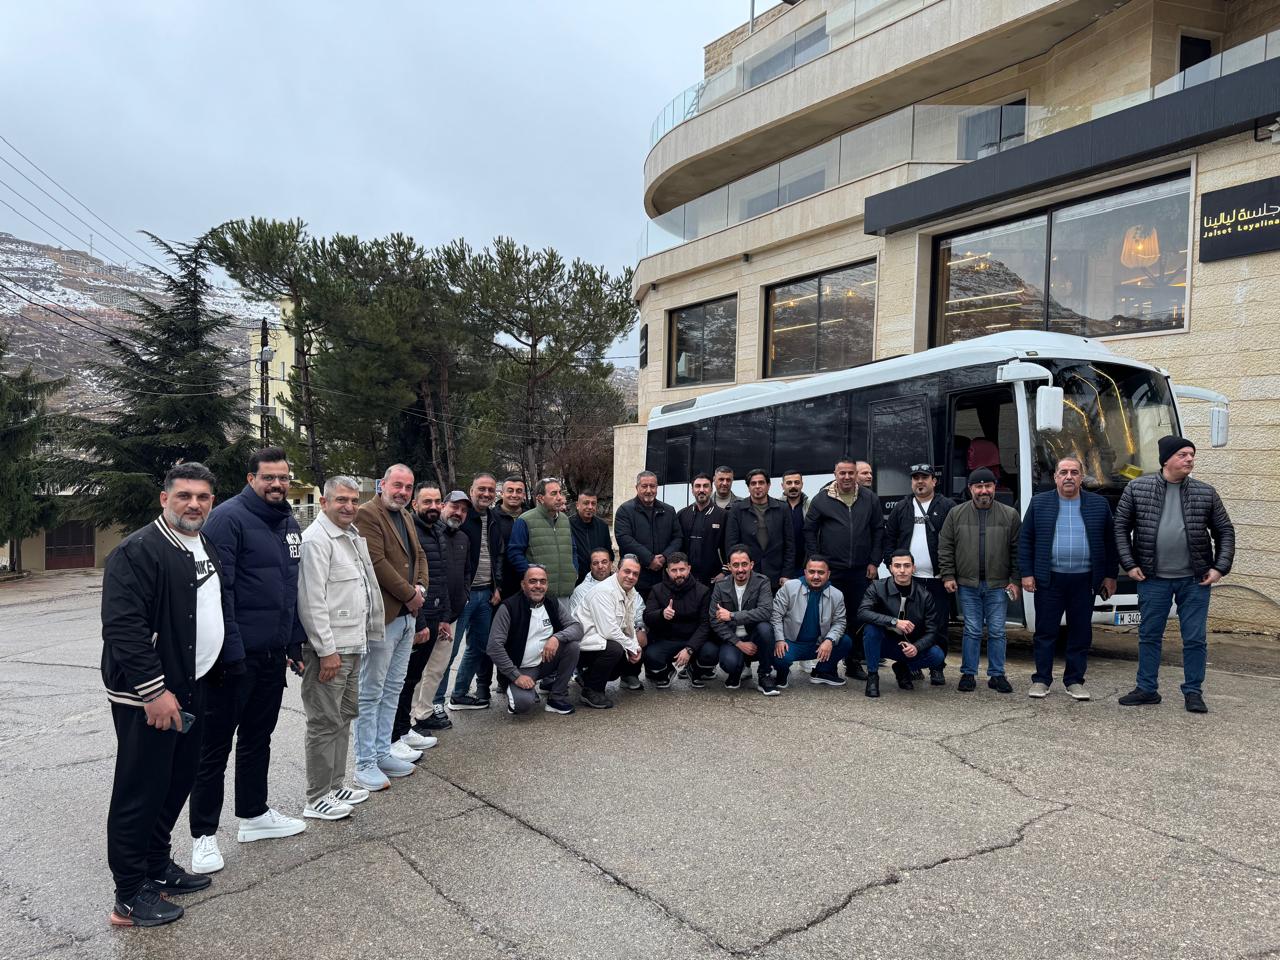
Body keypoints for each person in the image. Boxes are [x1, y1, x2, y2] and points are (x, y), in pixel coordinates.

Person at [104, 463, 232, 927]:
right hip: (151, 696)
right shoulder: (138, 550)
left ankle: (157, 866)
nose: (193, 504)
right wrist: (154, 691)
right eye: (184, 496)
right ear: (165, 499)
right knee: (140, 790)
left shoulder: (203, 544)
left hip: (192, 686)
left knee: (176, 782)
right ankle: (128, 895)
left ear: (212, 502)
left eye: (202, 497)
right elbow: (123, 627)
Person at [189, 447, 304, 877]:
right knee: (214, 748)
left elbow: (290, 588)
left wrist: (294, 642)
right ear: (250, 478)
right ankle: (203, 835)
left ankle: (254, 815)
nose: (277, 484)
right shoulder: (228, 519)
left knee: (258, 738)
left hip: (272, 655)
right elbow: (221, 593)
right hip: (233, 660)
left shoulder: (288, 523)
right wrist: (232, 653)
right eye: (268, 477)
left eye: (283, 477)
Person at [1115, 435, 1235, 713]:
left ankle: (1193, 692)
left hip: (1195, 580)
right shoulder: (1137, 488)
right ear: (1166, 460)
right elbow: (1119, 527)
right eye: (1183, 454)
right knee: (1149, 635)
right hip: (1152, 579)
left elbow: (1225, 531)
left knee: (1194, 639)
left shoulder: (1206, 492)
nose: (1190, 459)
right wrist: (1129, 563)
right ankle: (1147, 689)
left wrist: (1219, 568)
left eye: (1192, 454)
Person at [296, 476, 385, 822]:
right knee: (323, 721)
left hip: (352, 645)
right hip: (330, 651)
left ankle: (335, 785)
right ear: (324, 502)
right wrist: (326, 650)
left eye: (353, 500)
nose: (348, 506)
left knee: (343, 716)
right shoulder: (316, 540)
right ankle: (317, 796)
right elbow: (311, 601)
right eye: (341, 500)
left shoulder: (349, 535)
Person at [351, 464, 429, 791]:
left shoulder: (406, 515)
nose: (403, 492)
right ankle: (364, 762)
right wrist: (410, 595)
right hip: (384, 617)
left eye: (408, 487)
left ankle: (383, 752)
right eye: (397, 485)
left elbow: (419, 555)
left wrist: (421, 587)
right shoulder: (367, 514)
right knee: (371, 692)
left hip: (407, 616)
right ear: (382, 484)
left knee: (393, 687)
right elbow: (376, 562)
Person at [1019, 457, 1118, 701]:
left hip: (1085, 581)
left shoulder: (1098, 504)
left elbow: (1110, 542)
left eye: (1074, 472)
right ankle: (1041, 680)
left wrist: (1110, 576)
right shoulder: (1040, 503)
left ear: (1082, 477)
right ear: (1055, 477)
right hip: (1049, 580)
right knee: (1045, 632)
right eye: (1063, 472)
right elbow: (1026, 539)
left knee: (1080, 633)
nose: (1069, 477)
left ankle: (1074, 681)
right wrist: (1027, 573)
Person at [938, 468, 1021, 695]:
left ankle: (997, 675)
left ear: (995, 487)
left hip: (998, 585)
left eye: (988, 486)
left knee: (997, 631)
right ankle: (968, 674)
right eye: (979, 487)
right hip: (967, 584)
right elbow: (945, 547)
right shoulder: (956, 514)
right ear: (970, 489)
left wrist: (1015, 580)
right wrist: (948, 575)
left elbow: (1017, 551)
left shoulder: (1010, 515)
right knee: (972, 630)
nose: (984, 491)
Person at [804, 458, 882, 681]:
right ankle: (825, 666)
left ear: (856, 474)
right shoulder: (821, 499)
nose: (847, 477)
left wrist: (874, 561)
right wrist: (817, 561)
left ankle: (853, 662)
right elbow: (809, 530)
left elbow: (878, 530)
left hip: (861, 570)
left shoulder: (870, 498)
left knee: (858, 618)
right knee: (829, 618)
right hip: (832, 571)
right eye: (842, 473)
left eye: (850, 473)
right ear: (835, 474)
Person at [882, 463, 955, 685]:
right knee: (910, 626)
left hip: (937, 580)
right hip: (908, 581)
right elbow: (889, 538)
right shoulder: (902, 507)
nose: (920, 481)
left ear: (934, 481)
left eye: (925, 477)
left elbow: (956, 540)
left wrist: (950, 572)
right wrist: (891, 564)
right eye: (916, 478)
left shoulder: (948, 506)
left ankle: (937, 667)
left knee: (939, 626)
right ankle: (909, 666)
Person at [392, 484, 455, 741]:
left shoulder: (439, 529)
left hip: (436, 614)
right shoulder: (409, 532)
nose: (433, 506)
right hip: (417, 616)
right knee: (405, 679)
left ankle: (404, 728)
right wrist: (420, 623)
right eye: (427, 502)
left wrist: (445, 617)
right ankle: (399, 731)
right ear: (414, 504)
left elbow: (441, 577)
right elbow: (407, 580)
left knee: (415, 675)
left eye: (437, 501)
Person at [487, 565, 583, 716]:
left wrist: (556, 637)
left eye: (542, 581)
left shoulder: (552, 602)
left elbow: (576, 628)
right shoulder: (509, 607)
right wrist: (516, 676)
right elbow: (494, 646)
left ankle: (557, 698)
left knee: (572, 646)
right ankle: (514, 689)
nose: (538, 586)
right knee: (523, 705)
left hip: (545, 662)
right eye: (532, 581)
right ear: (523, 584)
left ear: (547, 585)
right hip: (520, 668)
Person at [448, 475, 506, 709]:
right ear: (471, 490)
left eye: (491, 490)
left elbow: (498, 555)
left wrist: (497, 586)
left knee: (478, 647)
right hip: (463, 595)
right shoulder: (461, 517)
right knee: (449, 651)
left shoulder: (494, 519)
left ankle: (459, 693)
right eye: (481, 489)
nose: (486, 493)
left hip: (486, 594)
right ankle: (435, 702)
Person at [414, 492, 473, 716]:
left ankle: (425, 713)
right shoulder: (430, 534)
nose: (458, 513)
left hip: (451, 615)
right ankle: (410, 718)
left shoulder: (463, 538)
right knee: (417, 671)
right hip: (428, 615)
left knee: (437, 669)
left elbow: (466, 572)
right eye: (454, 507)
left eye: (463, 510)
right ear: (443, 506)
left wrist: (464, 595)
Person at [858, 550, 945, 698]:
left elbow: (932, 631)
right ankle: (872, 676)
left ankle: (902, 667)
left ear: (913, 568)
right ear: (891, 568)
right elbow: (863, 613)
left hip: (907, 645)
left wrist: (917, 647)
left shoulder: (924, 595)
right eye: (897, 566)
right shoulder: (877, 587)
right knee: (871, 629)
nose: (902, 570)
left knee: (937, 655)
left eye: (907, 565)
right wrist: (894, 622)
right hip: (881, 642)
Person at [771, 556, 853, 690]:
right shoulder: (789, 587)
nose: (816, 576)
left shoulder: (837, 595)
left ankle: (822, 671)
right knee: (779, 656)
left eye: (821, 572)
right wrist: (779, 640)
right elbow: (775, 615)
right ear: (805, 572)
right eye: (811, 572)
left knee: (845, 642)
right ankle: (781, 674)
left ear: (828, 574)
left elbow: (840, 622)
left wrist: (829, 640)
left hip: (818, 644)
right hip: (790, 643)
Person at [704, 545, 775, 693]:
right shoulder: (720, 586)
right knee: (729, 663)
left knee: (766, 629)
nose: (740, 569)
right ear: (729, 567)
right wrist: (739, 643)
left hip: (754, 636)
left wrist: (732, 615)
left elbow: (766, 611)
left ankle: (764, 674)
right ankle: (736, 672)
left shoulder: (762, 582)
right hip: (732, 638)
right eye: (735, 565)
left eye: (744, 564)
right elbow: (714, 620)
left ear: (751, 565)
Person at [577, 556, 644, 708]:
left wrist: (635, 646)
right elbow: (609, 631)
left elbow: (629, 624)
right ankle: (591, 691)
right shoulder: (603, 592)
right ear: (617, 570)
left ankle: (587, 677)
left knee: (623, 655)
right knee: (615, 649)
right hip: (583, 644)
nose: (631, 576)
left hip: (601, 641)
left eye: (635, 574)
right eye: (627, 571)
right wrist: (631, 647)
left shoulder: (630, 591)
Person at [641, 553, 710, 687]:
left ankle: (694, 670)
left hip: (693, 639)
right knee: (650, 656)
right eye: (674, 570)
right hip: (667, 640)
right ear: (667, 571)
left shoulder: (703, 591)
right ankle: (666, 671)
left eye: (682, 569)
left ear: (689, 569)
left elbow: (705, 624)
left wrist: (690, 648)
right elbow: (647, 617)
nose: (678, 574)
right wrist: (661, 614)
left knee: (710, 653)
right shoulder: (657, 590)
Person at [507, 477, 578, 600]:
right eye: (554, 493)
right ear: (540, 498)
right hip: (538, 594)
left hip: (565, 592)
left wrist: (574, 571)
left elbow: (573, 549)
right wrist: (531, 577)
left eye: (560, 492)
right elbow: (515, 553)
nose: (559, 497)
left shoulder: (565, 519)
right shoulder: (525, 520)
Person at [614, 470, 681, 598]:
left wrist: (664, 557)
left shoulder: (669, 511)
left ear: (657, 487)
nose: (649, 490)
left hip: (664, 577)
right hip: (636, 577)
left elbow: (678, 538)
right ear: (637, 488)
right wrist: (649, 559)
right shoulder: (625, 510)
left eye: (652, 486)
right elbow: (624, 539)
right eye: (644, 486)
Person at [725, 468, 794, 587]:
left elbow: (790, 545)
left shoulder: (783, 509)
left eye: (761, 483)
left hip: (776, 576)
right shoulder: (737, 510)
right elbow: (731, 544)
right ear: (748, 487)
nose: (757, 486)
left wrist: (786, 574)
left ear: (768, 485)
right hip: (747, 576)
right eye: (753, 483)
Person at [677, 472, 727, 586]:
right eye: (697, 486)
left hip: (714, 579)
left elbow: (729, 546)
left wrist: (724, 572)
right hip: (687, 579)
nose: (701, 490)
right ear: (692, 490)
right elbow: (678, 545)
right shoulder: (682, 515)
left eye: (705, 486)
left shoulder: (723, 515)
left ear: (711, 489)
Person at [570, 489, 613, 585]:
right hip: (576, 580)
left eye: (593, 504)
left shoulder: (602, 526)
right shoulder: (568, 526)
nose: (590, 507)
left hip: (599, 580)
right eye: (586, 503)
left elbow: (609, 553)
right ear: (577, 505)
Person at [496, 476, 526, 598]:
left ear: (524, 495)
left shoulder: (532, 518)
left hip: (528, 581)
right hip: (501, 584)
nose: (514, 495)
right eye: (510, 490)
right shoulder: (492, 518)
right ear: (502, 493)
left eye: (519, 491)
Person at [781, 469, 809, 578]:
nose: (793, 486)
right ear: (782, 486)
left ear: (802, 484)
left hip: (805, 566)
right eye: (789, 483)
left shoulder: (811, 506)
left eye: (797, 482)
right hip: (782, 567)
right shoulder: (776, 507)